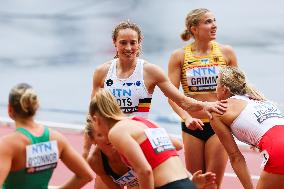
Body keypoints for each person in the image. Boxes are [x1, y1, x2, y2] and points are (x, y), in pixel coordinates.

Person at [83, 19, 227, 187]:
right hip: (109, 148)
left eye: (133, 43)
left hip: (135, 144)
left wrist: (205, 106)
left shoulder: (150, 71)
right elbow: (92, 115)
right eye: (123, 43)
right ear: (114, 43)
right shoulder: (102, 73)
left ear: (139, 43)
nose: (128, 48)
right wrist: (86, 150)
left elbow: (180, 100)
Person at [88, 88, 218, 189]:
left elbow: (145, 171)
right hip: (186, 182)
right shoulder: (142, 122)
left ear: (95, 119)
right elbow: (171, 151)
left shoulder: (116, 132)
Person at [167, 8, 238, 188]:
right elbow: (171, 96)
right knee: (196, 184)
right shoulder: (180, 56)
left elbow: (237, 92)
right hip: (193, 125)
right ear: (194, 29)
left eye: (214, 21)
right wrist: (187, 117)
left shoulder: (227, 53)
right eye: (208, 22)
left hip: (219, 123)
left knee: (212, 184)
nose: (214, 25)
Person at [0, 83, 94, 189]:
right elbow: (86, 175)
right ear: (36, 106)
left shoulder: (8, 145)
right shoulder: (56, 139)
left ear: (9, 109)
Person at [211, 66, 284, 189]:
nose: (214, 89)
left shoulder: (219, 110)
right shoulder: (259, 99)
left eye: (216, 84)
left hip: (278, 149)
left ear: (224, 89)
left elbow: (235, 157)